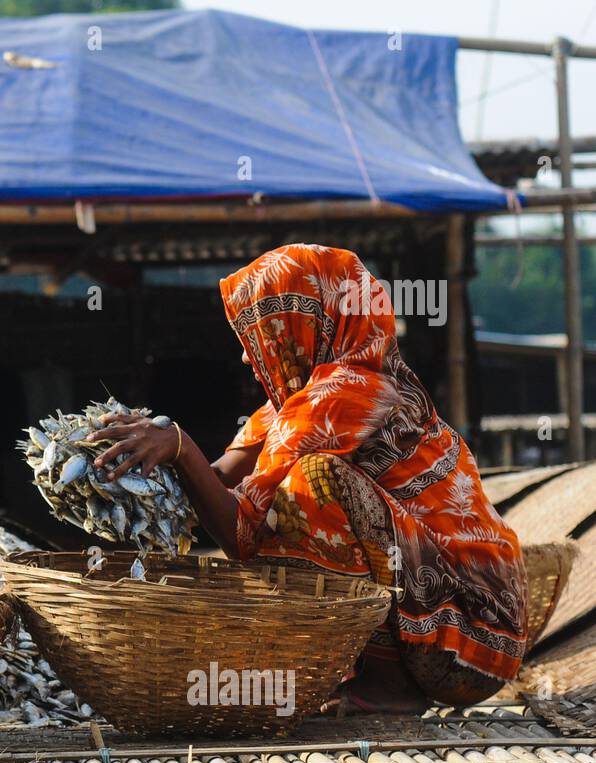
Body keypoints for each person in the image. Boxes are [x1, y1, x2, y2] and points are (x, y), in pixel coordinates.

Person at [88, 244, 527, 713]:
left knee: (313, 483)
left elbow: (241, 531)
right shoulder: (290, 407)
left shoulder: (346, 393)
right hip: (456, 630)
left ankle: (391, 685)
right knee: (288, 492)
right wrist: (136, 463)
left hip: (474, 638)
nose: (244, 357)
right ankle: (370, 670)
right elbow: (215, 478)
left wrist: (178, 444)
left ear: (299, 325)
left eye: (257, 334)